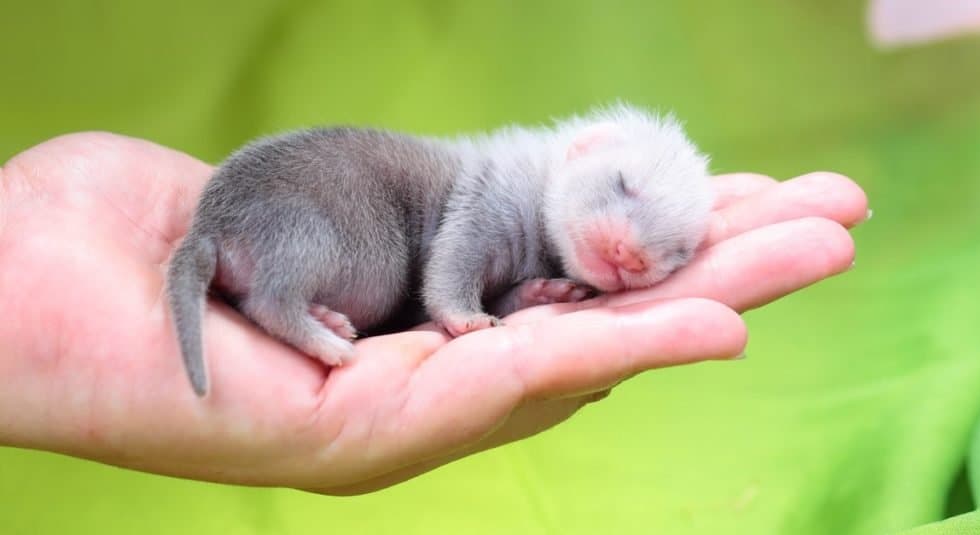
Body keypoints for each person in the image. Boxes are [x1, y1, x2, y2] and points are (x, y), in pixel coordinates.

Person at [0, 132, 867, 494]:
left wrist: (517, 299)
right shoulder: (507, 187)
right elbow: (461, 245)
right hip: (317, 206)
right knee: (372, 251)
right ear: (583, 153)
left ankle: (281, 294)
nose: (636, 251)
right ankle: (280, 304)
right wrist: (455, 303)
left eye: (669, 253)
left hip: (273, 226)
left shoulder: (552, 241)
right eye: (625, 199)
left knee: (375, 268)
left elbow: (504, 276)